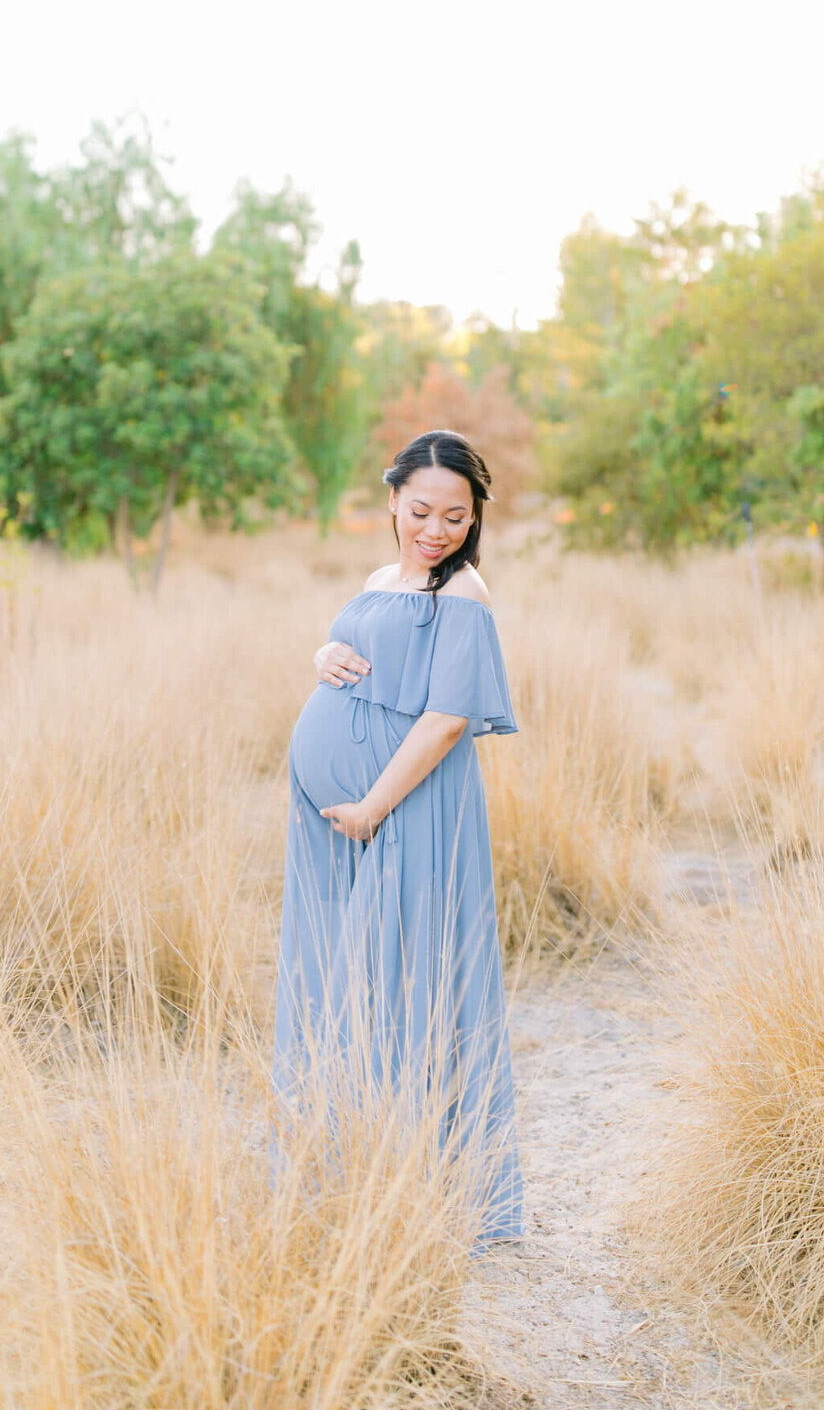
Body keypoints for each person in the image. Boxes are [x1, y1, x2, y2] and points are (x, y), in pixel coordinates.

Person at [272, 428, 523, 1243]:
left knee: (402, 982)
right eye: (421, 510)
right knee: (338, 977)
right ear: (391, 501)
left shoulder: (465, 596)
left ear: (474, 517)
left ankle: (420, 1186)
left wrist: (372, 807)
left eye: (456, 516)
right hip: (341, 824)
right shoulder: (387, 575)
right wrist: (325, 649)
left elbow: (447, 719)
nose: (437, 530)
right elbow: (364, 652)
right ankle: (342, 1166)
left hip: (404, 812)